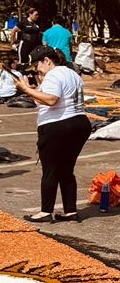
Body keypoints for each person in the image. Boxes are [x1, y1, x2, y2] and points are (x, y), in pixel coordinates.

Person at [14, 47, 90, 224]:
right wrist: (35, 87)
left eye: (38, 65)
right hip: (79, 123)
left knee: (50, 170)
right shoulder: (73, 74)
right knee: (66, 170)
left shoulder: (54, 74)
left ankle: (45, 211)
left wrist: (25, 89)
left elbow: (51, 100)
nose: (37, 70)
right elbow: (42, 99)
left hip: (58, 126)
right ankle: (70, 211)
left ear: (47, 61)